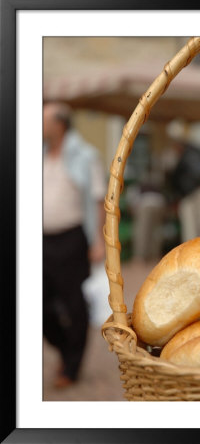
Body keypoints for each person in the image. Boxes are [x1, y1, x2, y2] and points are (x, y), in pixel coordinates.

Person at [43, 102, 107, 388]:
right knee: (40, 306)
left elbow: (98, 200)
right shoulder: (41, 155)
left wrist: (98, 240)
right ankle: (66, 349)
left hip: (72, 239)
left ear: (60, 124)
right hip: (42, 240)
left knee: (74, 303)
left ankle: (71, 366)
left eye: (44, 120)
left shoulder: (85, 155)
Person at [168, 139, 200, 243]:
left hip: (190, 193)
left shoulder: (184, 158)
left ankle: (193, 249)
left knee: (190, 226)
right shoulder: (199, 153)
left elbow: (175, 178)